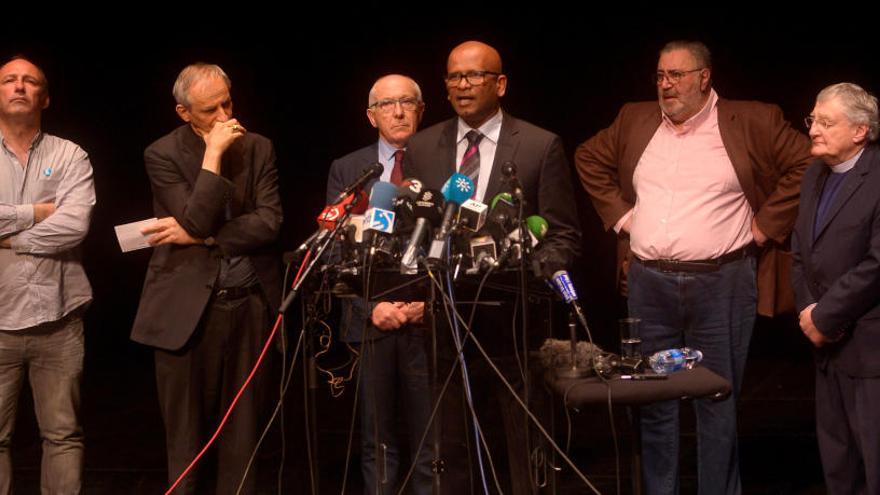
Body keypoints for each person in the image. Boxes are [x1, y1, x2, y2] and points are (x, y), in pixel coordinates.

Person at [575, 40, 812, 494]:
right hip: (649, 283)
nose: (666, 85)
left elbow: (806, 163)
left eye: (677, 75)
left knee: (716, 398)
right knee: (652, 399)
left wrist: (764, 227)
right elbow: (588, 157)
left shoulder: (753, 119)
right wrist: (623, 218)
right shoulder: (635, 118)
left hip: (721, 281)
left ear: (705, 77)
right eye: (660, 75)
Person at [403, 41, 581, 494]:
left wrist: (524, 271)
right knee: (453, 448)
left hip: (515, 328)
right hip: (448, 328)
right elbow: (416, 230)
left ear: (499, 84)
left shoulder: (540, 146)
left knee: (523, 451)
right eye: (453, 77)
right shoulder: (423, 146)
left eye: (474, 76)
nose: (462, 85)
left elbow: (563, 236)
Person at [130, 63, 282, 494]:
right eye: (210, 109)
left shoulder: (259, 147)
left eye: (227, 103)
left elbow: (270, 222)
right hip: (187, 308)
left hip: (251, 301)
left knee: (244, 432)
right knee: (187, 437)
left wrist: (205, 237)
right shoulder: (161, 154)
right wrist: (213, 155)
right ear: (184, 112)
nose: (223, 116)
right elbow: (195, 216)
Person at [325, 74, 433, 494]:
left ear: (422, 110)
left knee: (433, 439)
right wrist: (369, 308)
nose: (399, 111)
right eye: (387, 104)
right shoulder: (349, 170)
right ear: (371, 116)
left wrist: (431, 304)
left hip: (428, 320)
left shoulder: (444, 164)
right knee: (377, 442)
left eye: (408, 101)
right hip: (371, 321)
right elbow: (334, 253)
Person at [0, 54, 95, 495]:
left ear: (45, 96)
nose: (19, 87)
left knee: (62, 436)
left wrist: (11, 237)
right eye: (9, 80)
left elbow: (75, 225)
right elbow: (56, 221)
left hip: (59, 320)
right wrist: (35, 212)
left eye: (29, 81)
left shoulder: (71, 154)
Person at [792, 82, 880, 495]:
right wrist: (810, 312)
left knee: (873, 464)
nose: (813, 130)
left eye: (827, 122)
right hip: (824, 346)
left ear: (860, 131)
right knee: (838, 465)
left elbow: (877, 264)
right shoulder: (814, 175)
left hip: (868, 350)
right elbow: (799, 252)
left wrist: (827, 316)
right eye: (813, 120)